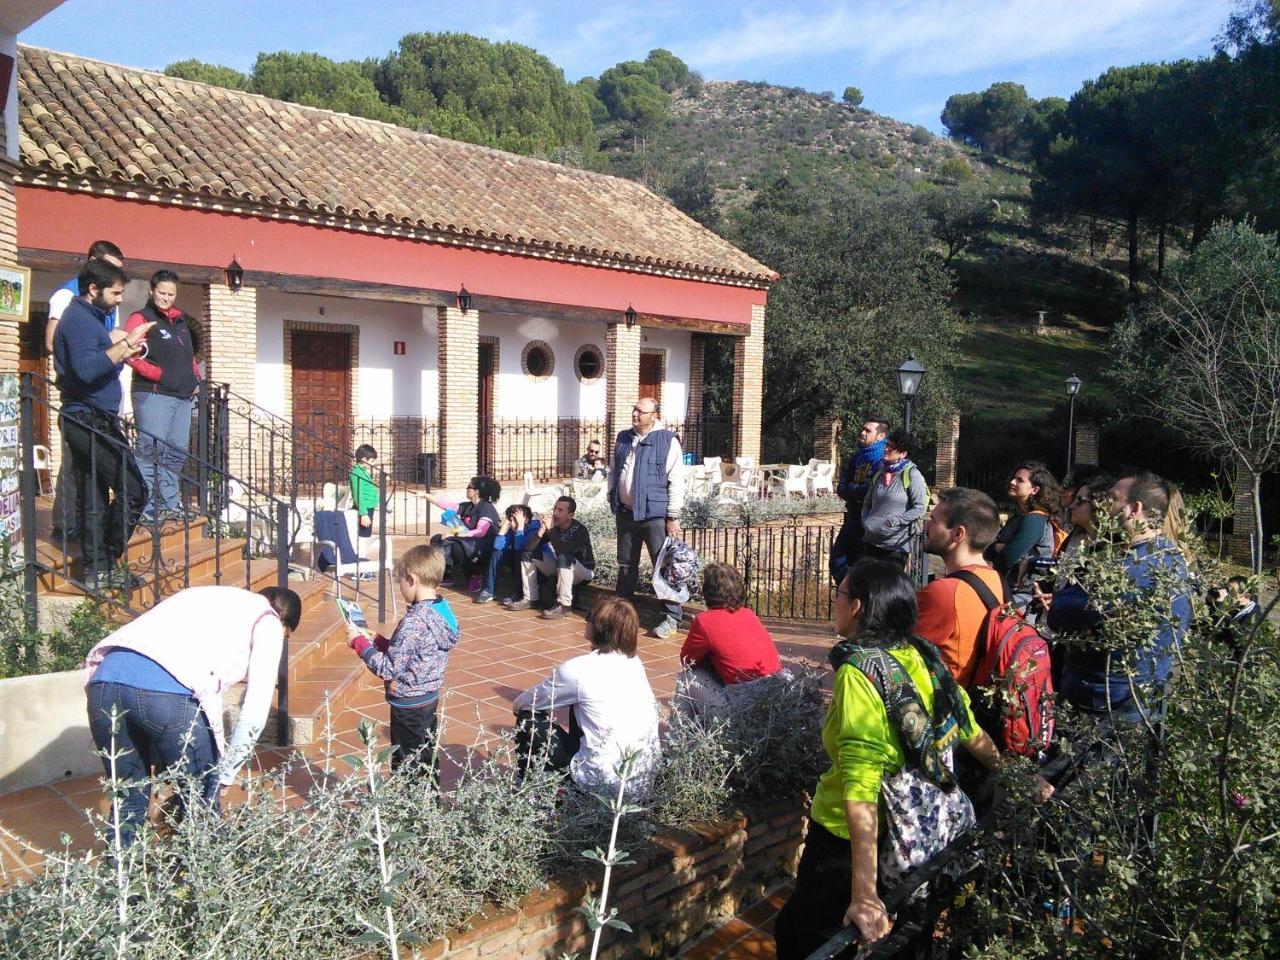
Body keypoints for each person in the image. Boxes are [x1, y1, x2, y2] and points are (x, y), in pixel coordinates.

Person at [773, 561, 1032, 958]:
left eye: (839, 594)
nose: (835, 601)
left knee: (805, 940)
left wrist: (863, 894)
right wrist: (1018, 776)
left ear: (857, 606)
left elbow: (862, 785)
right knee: (911, 935)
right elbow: (969, 728)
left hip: (850, 843)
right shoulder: (923, 655)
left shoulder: (858, 672)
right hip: (919, 837)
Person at [82, 585, 301, 842]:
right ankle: (197, 878)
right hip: (167, 694)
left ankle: (117, 878)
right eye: (287, 636)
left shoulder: (208, 596)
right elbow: (255, 710)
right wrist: (226, 773)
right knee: (201, 806)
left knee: (127, 800)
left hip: (104, 683)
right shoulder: (268, 620)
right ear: (285, 623)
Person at [1047, 471, 1193, 726]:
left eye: (1112, 499)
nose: (1103, 506)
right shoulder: (1170, 556)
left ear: (1134, 509)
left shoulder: (1131, 570)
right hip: (1139, 697)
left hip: (1105, 706)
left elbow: (1059, 612)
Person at [53, 259, 153, 590]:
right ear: (93, 289)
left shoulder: (91, 319)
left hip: (93, 416)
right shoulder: (79, 319)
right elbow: (83, 370)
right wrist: (123, 345)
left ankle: (99, 570)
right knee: (135, 490)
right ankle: (106, 561)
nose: (120, 299)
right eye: (116, 293)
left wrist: (124, 350)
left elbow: (97, 366)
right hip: (87, 418)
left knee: (94, 497)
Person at [512, 596, 661, 797]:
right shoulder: (635, 663)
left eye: (589, 616)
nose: (585, 620)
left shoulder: (578, 670)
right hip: (641, 782)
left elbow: (524, 703)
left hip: (599, 782)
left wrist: (541, 709)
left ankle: (527, 792)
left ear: (600, 627)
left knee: (528, 720)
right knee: (582, 709)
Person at [347, 544, 459, 774]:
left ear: (412, 579)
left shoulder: (414, 621)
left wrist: (360, 644)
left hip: (408, 704)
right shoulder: (441, 610)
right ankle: (429, 801)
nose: (400, 587)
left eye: (400, 581)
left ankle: (411, 807)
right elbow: (410, 652)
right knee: (425, 756)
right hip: (427, 697)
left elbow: (389, 668)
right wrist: (377, 640)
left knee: (407, 763)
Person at [48, 240, 126, 541]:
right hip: (82, 403)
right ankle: (66, 527)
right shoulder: (68, 298)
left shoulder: (102, 306)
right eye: (111, 270)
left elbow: (105, 350)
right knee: (74, 468)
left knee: (95, 478)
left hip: (102, 400)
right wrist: (113, 347)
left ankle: (95, 538)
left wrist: (119, 350)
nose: (119, 295)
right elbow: (55, 343)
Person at [125, 270, 202, 522]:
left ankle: (169, 502)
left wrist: (194, 378)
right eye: (162, 292)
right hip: (154, 395)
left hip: (182, 398)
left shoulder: (181, 322)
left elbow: (189, 357)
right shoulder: (141, 318)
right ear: (152, 290)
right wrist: (158, 375)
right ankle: (146, 507)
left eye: (171, 293)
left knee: (176, 451)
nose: (166, 298)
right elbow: (131, 354)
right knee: (150, 449)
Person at [607, 396, 685, 638]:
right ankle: (622, 615)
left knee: (662, 566)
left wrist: (672, 515)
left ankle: (671, 617)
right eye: (634, 409)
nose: (635, 414)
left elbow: (677, 480)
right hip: (626, 514)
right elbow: (614, 470)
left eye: (640, 411)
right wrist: (613, 497)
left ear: (654, 416)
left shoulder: (667, 440)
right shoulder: (623, 437)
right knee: (626, 566)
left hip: (654, 515)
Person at [914, 488, 1005, 686]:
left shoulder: (944, 592)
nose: (926, 526)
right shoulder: (996, 580)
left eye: (933, 521)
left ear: (957, 534)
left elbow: (903, 654)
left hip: (945, 702)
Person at [676, 562, 783, 715]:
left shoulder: (705, 621)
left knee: (687, 678)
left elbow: (687, 660)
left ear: (707, 591)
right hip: (777, 696)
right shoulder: (749, 614)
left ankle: (678, 733)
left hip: (743, 707)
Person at [506, 495, 595, 619]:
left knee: (564, 558)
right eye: (555, 509)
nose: (555, 513)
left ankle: (564, 605)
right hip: (561, 567)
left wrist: (551, 530)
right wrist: (541, 532)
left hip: (582, 572)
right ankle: (531, 598)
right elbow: (528, 548)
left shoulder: (579, 530)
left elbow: (564, 550)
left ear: (571, 515)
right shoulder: (555, 528)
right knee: (528, 555)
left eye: (560, 510)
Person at [990, 461, 1061, 615]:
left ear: (1034, 490)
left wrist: (998, 546)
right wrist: (998, 547)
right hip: (1007, 591)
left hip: (1023, 599)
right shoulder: (1018, 518)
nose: (1012, 482)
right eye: (1014, 478)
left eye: (1019, 480)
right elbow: (988, 551)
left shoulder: (1035, 520)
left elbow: (1008, 557)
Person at [830, 417, 889, 584]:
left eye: (868, 430)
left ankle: (858, 600)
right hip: (852, 519)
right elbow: (841, 488)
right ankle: (848, 595)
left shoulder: (883, 462)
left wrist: (853, 489)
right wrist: (857, 491)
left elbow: (874, 491)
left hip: (871, 523)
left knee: (864, 568)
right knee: (837, 562)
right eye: (863, 429)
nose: (862, 433)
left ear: (881, 436)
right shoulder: (857, 458)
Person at [860, 429, 928, 570]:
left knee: (887, 590)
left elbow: (919, 507)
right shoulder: (880, 473)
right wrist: (865, 521)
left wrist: (894, 522)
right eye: (887, 445)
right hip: (870, 541)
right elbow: (867, 503)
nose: (886, 448)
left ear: (903, 454)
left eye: (892, 447)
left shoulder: (912, 475)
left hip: (896, 545)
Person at [427, 476, 501, 592]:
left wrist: (456, 534)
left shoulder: (486, 508)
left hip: (482, 547)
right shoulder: (469, 506)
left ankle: (475, 576)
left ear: (476, 492)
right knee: (437, 539)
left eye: (469, 487)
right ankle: (447, 573)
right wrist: (427, 496)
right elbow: (449, 506)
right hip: (468, 541)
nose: (466, 489)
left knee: (457, 547)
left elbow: (481, 532)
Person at [475, 503, 542, 604]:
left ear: (526, 520)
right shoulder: (512, 529)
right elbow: (497, 546)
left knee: (520, 553)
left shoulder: (534, 528)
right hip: (518, 558)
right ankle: (489, 591)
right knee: (497, 553)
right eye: (511, 520)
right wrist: (506, 524)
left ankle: (518, 594)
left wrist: (520, 526)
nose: (513, 523)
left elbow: (520, 546)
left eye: (516, 519)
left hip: (535, 562)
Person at [350, 444, 380, 540]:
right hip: (364, 508)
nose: (372, 464)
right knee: (363, 537)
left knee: (366, 535)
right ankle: (360, 555)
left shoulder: (363, 472)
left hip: (369, 507)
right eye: (371, 461)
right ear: (363, 459)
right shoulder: (356, 473)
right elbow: (358, 494)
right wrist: (363, 514)